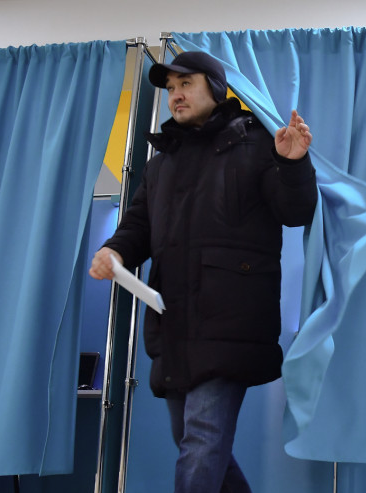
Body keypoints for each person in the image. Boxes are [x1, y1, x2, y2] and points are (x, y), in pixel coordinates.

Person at [88, 51, 318, 493]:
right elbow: (137, 227)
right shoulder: (161, 164)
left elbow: (296, 211)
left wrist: (292, 163)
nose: (175, 95)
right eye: (170, 88)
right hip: (174, 322)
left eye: (186, 84)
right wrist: (113, 251)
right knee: (195, 442)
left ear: (214, 88)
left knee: (201, 444)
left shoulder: (257, 142)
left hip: (232, 323)